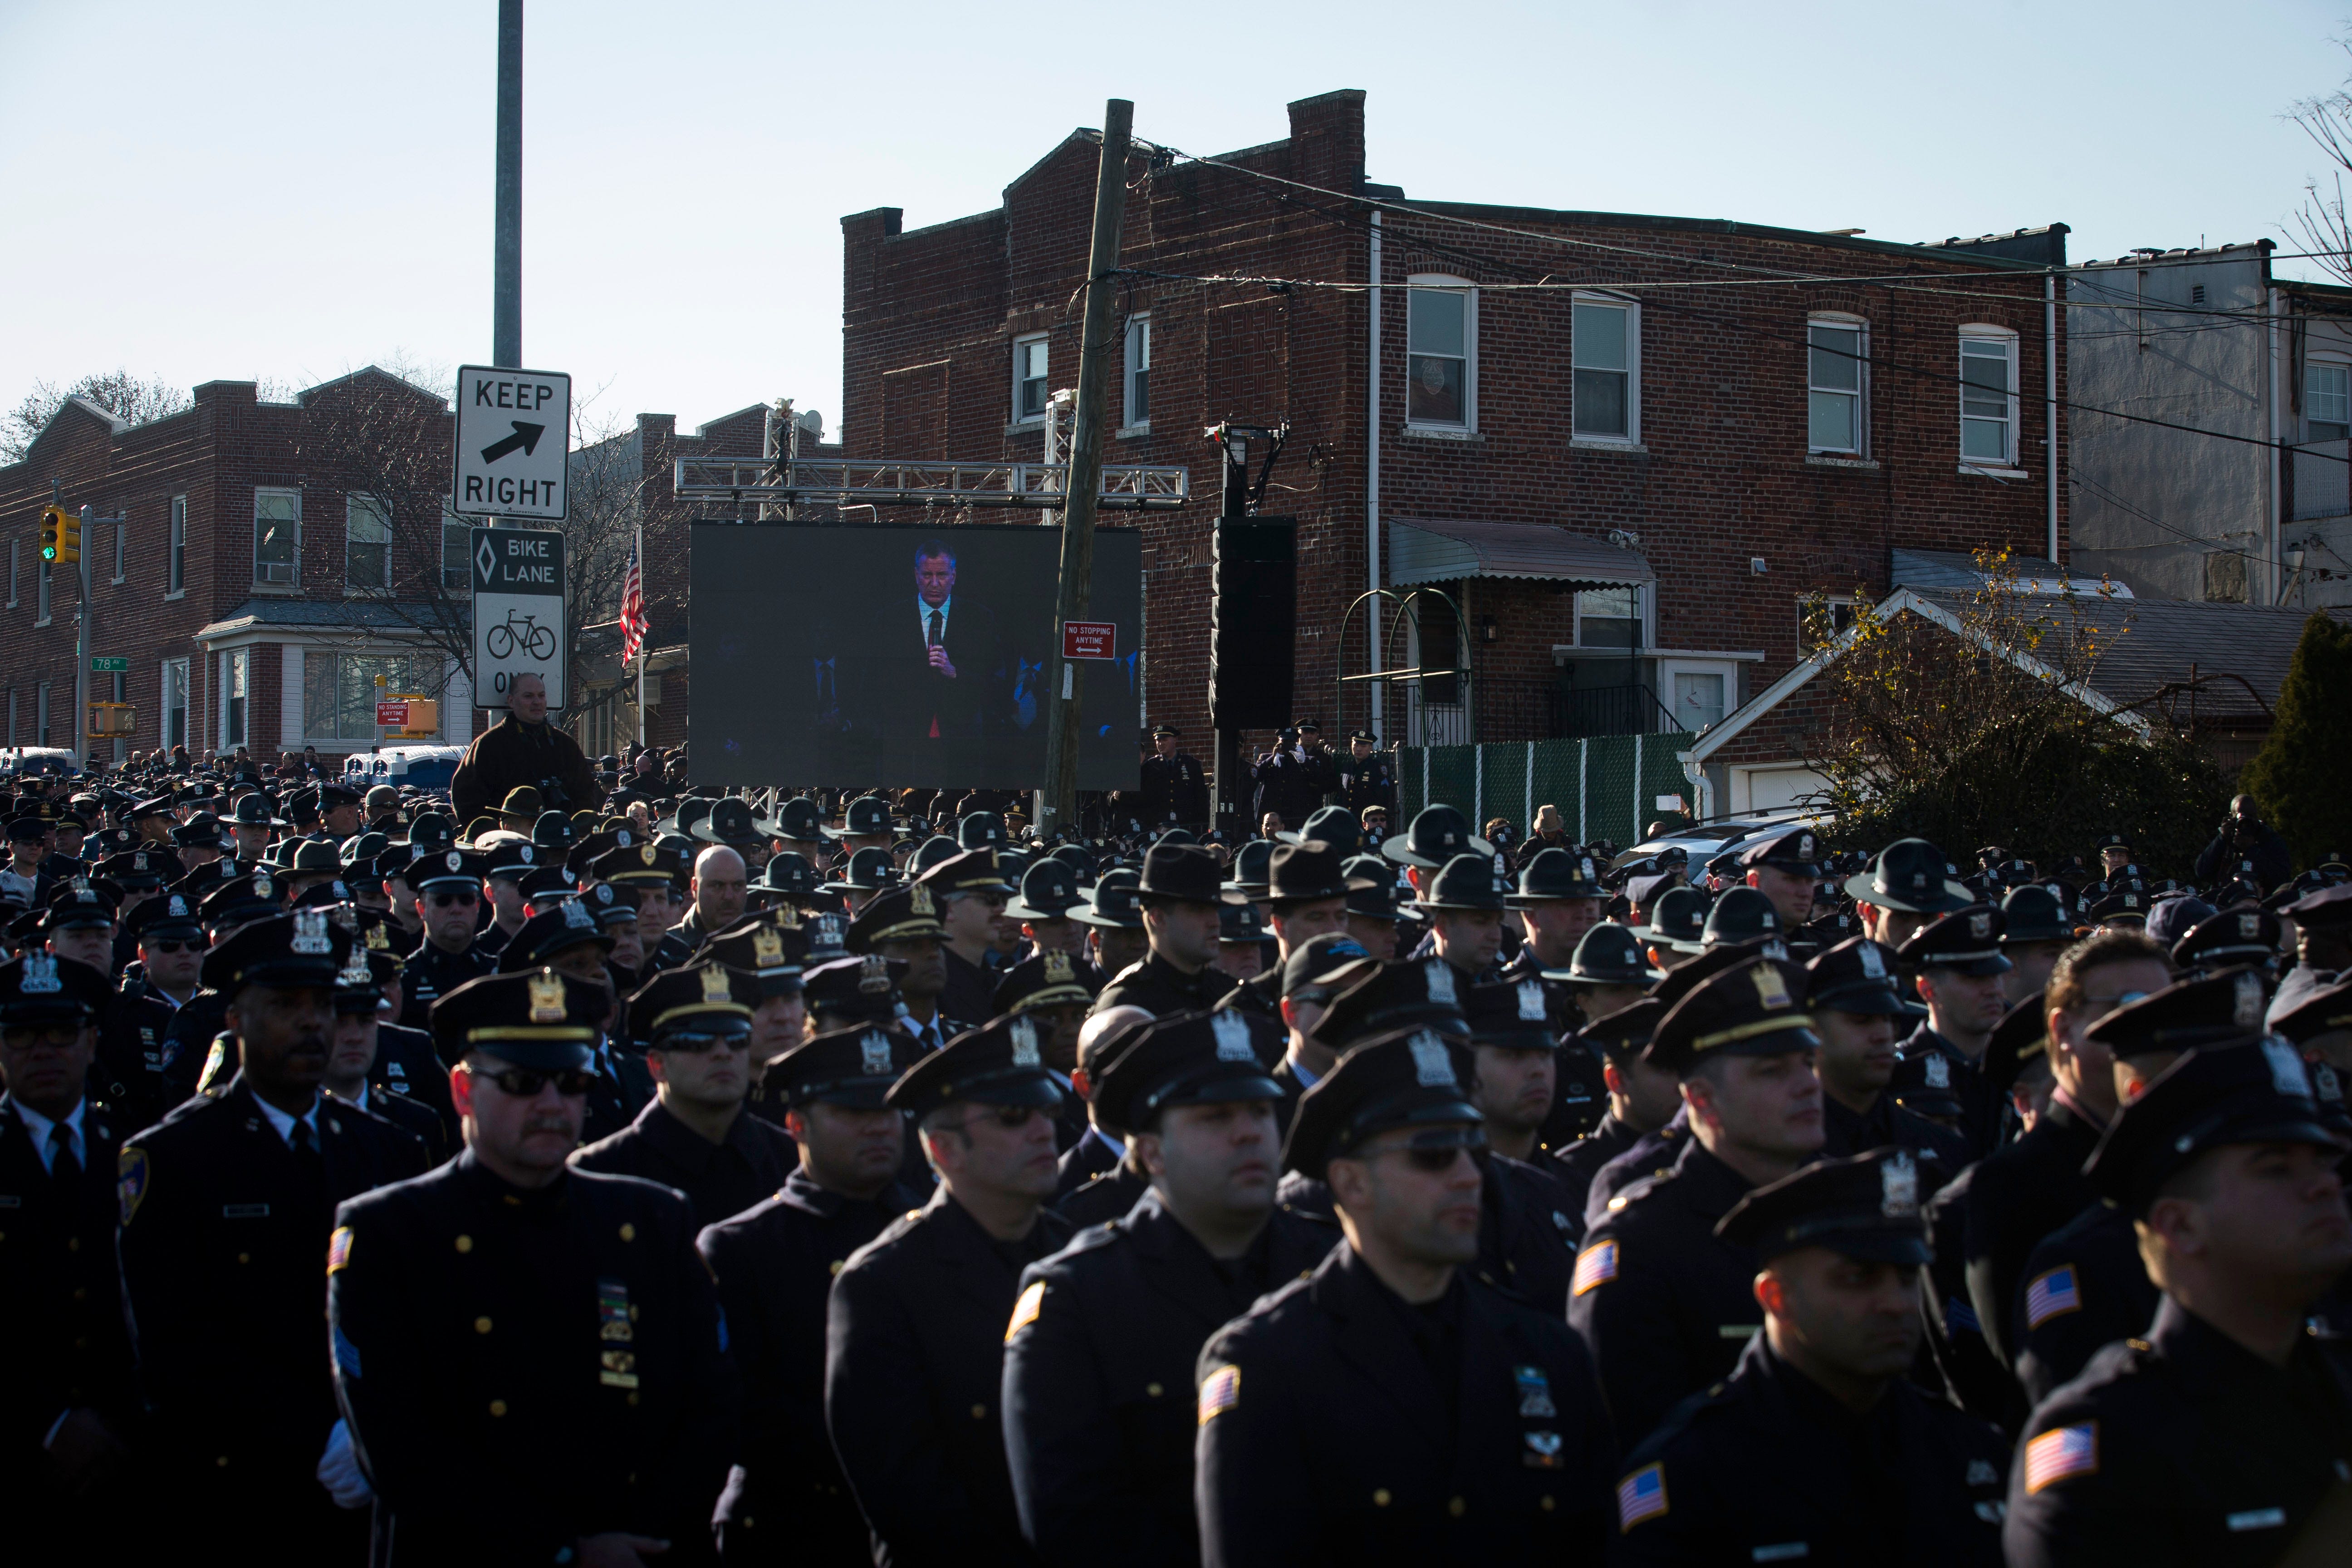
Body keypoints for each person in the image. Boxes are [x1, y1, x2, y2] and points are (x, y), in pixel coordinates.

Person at [327, 967, 738, 1565]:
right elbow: (400, 1448)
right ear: (464, 1092)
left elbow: (711, 1404)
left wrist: (637, 1538)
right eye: (523, 1082)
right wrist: (564, 1551)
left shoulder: (651, 1220)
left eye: (572, 1082)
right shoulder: (390, 1234)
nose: (552, 1104)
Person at [1193, 1025, 1617, 1564]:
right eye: (1435, 1154)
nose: (1469, 1177)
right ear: (1351, 1183)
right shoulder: (1268, 1367)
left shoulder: (1549, 1353)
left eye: (1474, 1151)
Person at [2004, 985, 2352, 1566]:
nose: (2323, 1186)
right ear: (2179, 1226)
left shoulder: (2338, 1384)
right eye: (2275, 1168)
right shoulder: (2107, 1445)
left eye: (2322, 1161)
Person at [117, 911, 428, 1555]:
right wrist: (320, 1432)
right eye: (287, 1004)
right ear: (234, 1017)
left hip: (375, 1487)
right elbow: (175, 1342)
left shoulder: (388, 1148)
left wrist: (376, 1428)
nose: (315, 1022)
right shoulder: (174, 1158)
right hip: (241, 1488)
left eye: (326, 1004)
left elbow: (420, 1313)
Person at [1003, 1009, 1333, 1568]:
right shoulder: (1076, 1299)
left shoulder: (1329, 1262)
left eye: (1259, 1110)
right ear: (1151, 1153)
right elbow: (1076, 1519)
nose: (1250, 1131)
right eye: (1215, 1117)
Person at [1611, 1148, 2012, 1565]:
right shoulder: (1692, 1476)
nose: (1896, 1303)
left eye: (1908, 1277)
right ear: (1777, 1298)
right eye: (1859, 1278)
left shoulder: (1970, 1454)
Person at [825, 1013, 1074, 1564]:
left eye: (1045, 1111)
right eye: (1013, 1117)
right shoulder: (883, 1284)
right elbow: (906, 1492)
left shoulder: (1078, 1253)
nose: (1042, 1131)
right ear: (943, 1151)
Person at [1568, 954, 1827, 1448]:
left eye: (1808, 1064)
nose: (1806, 1086)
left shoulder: (1844, 1206)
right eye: (1773, 1071)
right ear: (1702, 1099)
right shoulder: (1642, 1242)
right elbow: (1630, 1436)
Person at [697, 1022, 932, 1566]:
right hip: (795, 1528)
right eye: (853, 1113)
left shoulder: (933, 1229)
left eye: (889, 1110)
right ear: (796, 1124)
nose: (878, 1127)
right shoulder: (741, 1249)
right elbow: (737, 1410)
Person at [1962, 930, 2170, 1372]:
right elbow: (2017, 1370)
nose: (2152, 1028)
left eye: (2167, 1007)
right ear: (2063, 1030)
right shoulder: (2010, 1185)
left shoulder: (2185, 1158)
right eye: (2129, 1005)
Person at [0, 952, 137, 1558]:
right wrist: (48, 1424)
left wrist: (124, 1424)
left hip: (130, 1451)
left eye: (60, 1032)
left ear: (91, 1041)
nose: (43, 1050)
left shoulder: (137, 1149)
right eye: (21, 1035)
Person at [571, 961, 801, 1226]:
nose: (723, 1053)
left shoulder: (788, 1157)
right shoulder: (602, 1170)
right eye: (698, 1042)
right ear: (657, 1065)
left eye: (737, 1038)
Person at [1806, 936, 1970, 1174]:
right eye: (1862, 1020)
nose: (1883, 1035)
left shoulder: (1940, 1146)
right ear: (1813, 1033)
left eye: (1889, 1019)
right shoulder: (1782, 1149)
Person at [1895, 906, 2014, 1155]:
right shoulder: (1900, 1072)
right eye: (1975, 979)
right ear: (1928, 989)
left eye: (1996, 975)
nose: (1994, 990)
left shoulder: (2019, 1066)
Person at [1094, 842, 1245, 1017]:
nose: (1216, 923)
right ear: (1158, 918)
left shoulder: (1232, 995)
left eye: (1216, 910)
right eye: (1199, 910)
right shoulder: (1124, 1005)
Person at [449, 672, 604, 826]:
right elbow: (466, 799)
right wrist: (492, 835)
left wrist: (573, 831)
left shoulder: (565, 746)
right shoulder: (490, 745)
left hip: (559, 843)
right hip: (507, 845)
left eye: (541, 696)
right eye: (528, 696)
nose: (537, 702)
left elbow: (586, 796)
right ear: (511, 701)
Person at [397, 848, 497, 1029]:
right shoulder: (404, 981)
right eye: (443, 901)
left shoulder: (497, 975)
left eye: (465, 900)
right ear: (421, 909)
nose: (456, 909)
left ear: (477, 906)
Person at [921, 849, 1016, 1027]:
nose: (1001, 909)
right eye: (991, 899)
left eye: (1004, 899)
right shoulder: (931, 987)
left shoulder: (997, 981)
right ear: (949, 908)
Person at [653, 846, 749, 970]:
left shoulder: (761, 941)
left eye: (738, 886)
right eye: (718, 886)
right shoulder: (665, 952)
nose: (729, 896)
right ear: (695, 887)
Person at [2191, 794, 2293, 893]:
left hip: (2262, 902)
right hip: (2227, 901)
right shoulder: (2227, 838)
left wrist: (2252, 850)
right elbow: (2202, 872)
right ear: (2232, 817)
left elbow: (2282, 878)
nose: (2246, 822)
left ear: (2257, 816)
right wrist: (2222, 839)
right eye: (2242, 817)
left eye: (2251, 816)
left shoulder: (2270, 839)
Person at [1133, 725, 1210, 831]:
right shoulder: (1150, 766)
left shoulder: (1191, 765)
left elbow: (1201, 799)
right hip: (1158, 827)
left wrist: (1202, 827)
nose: (1161, 744)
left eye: (1164, 740)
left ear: (1175, 740)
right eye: (1158, 741)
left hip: (1186, 825)